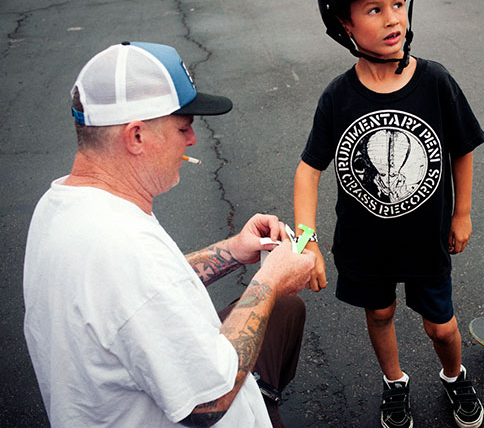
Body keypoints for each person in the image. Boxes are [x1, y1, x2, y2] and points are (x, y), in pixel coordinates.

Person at [23, 41, 315, 427]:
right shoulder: (123, 248)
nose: (192, 140)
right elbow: (209, 400)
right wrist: (269, 280)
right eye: (183, 127)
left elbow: (144, 295)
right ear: (136, 136)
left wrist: (234, 251)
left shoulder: (62, 204)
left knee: (285, 310)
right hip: (205, 401)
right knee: (277, 302)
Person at [294, 0, 484, 428]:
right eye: (374, 9)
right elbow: (307, 171)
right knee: (379, 315)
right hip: (365, 246)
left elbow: (462, 147)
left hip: (426, 242)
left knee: (440, 326)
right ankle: (394, 382)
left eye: (398, 5)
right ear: (345, 25)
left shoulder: (436, 81)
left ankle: (453, 374)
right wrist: (305, 241)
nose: (391, 19)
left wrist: (462, 213)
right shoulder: (338, 96)